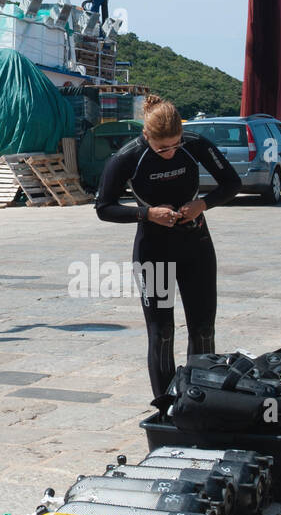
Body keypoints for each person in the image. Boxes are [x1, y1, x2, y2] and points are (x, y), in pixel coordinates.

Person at [95, 95, 243, 400]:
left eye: (175, 145)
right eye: (162, 147)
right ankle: (166, 405)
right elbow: (104, 207)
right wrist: (147, 214)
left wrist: (203, 203)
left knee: (203, 330)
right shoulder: (127, 157)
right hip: (154, 250)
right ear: (146, 135)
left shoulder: (194, 144)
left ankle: (201, 401)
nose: (170, 152)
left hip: (196, 247)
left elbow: (231, 183)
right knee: (162, 334)